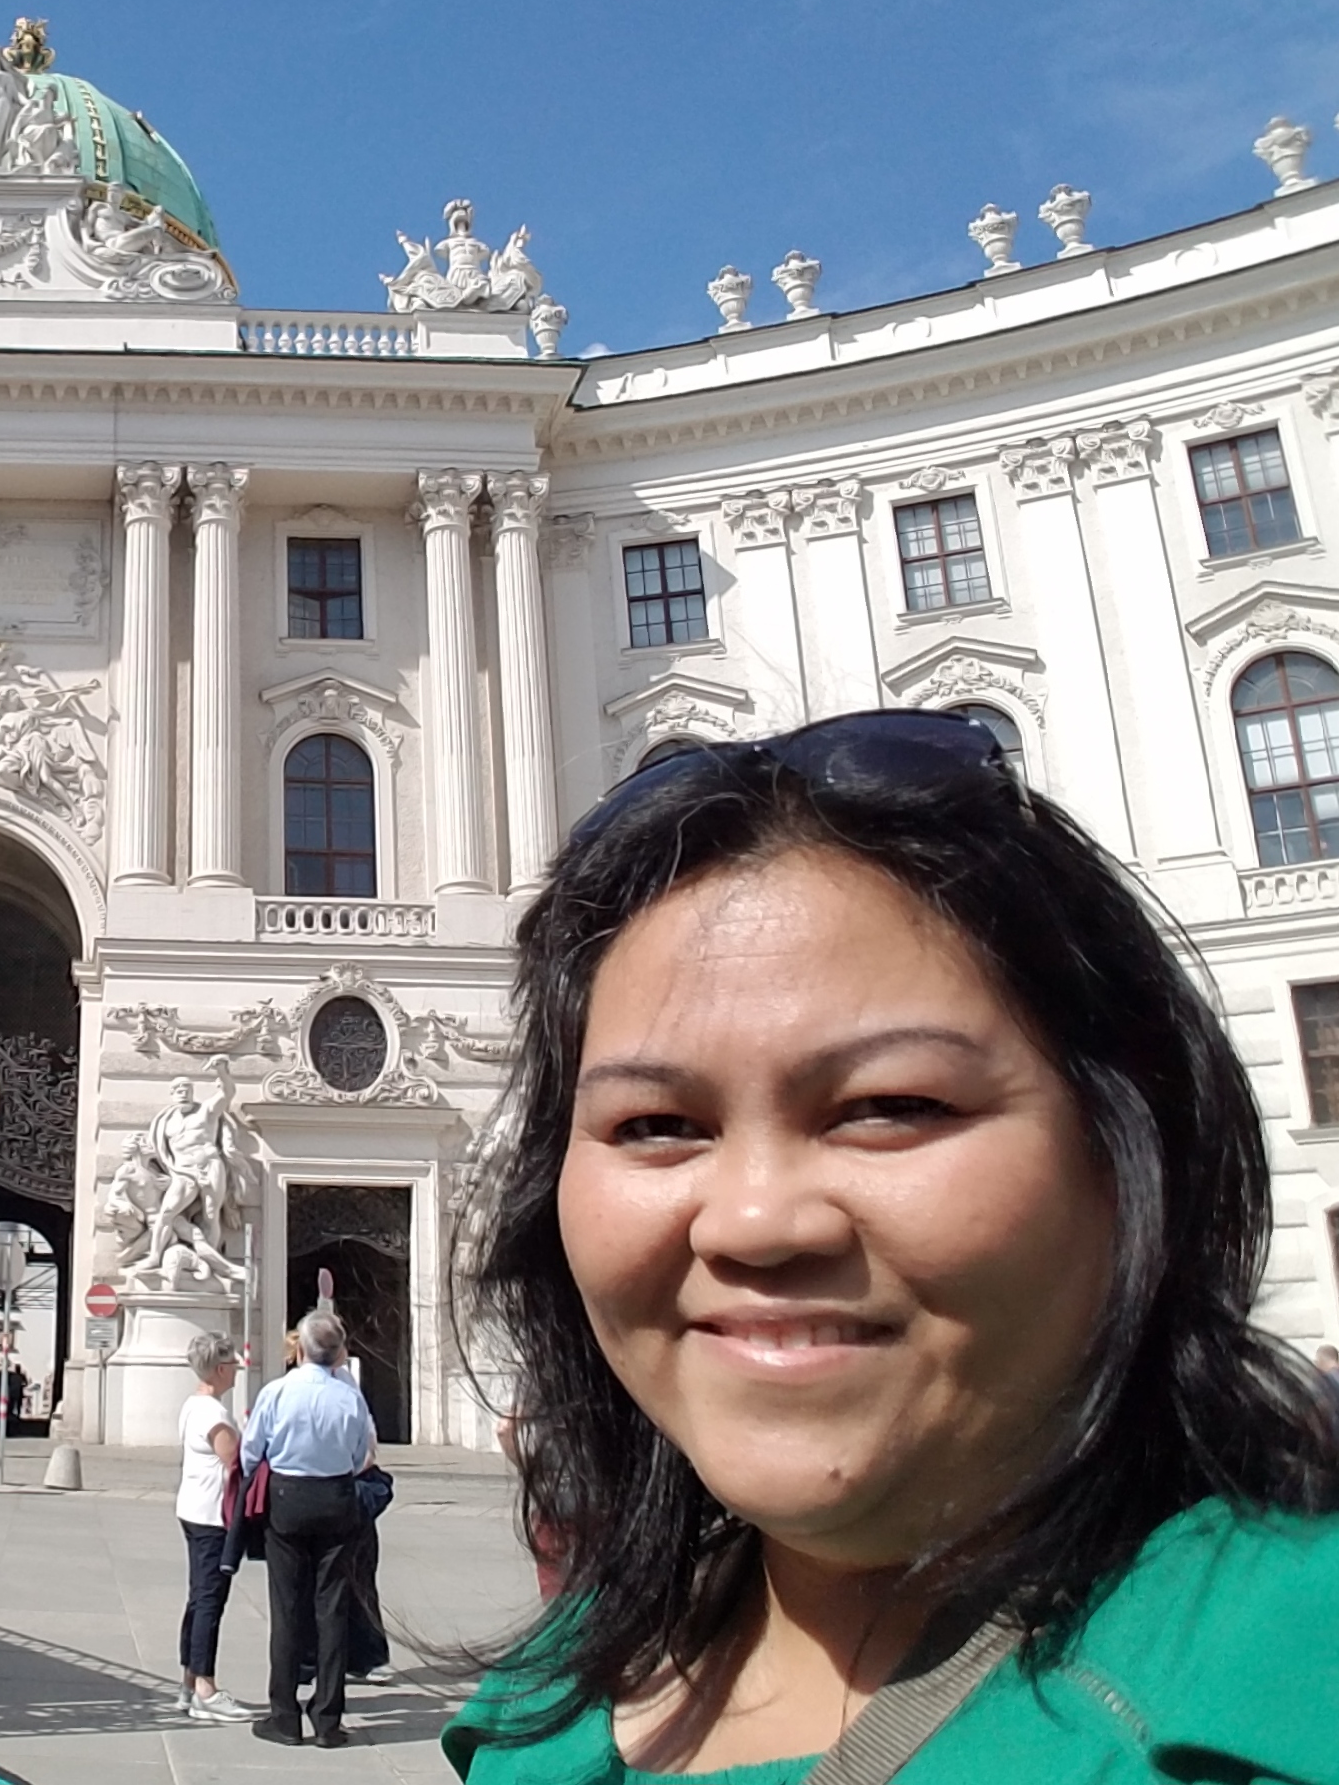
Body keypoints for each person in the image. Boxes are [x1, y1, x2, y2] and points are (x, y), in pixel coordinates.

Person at [444, 711, 1339, 1783]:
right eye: (657, 1124)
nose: (754, 1222)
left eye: (890, 1106)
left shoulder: (1272, 1697)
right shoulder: (546, 1703)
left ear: (1130, 1146)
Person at [241, 1309, 377, 1748]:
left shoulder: (278, 1391)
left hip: (287, 1499)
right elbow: (360, 1455)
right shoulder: (350, 1398)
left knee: (286, 1608)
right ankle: (328, 1719)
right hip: (336, 1498)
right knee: (332, 1609)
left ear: (299, 1348)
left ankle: (284, 1715)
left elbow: (251, 1450)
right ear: (338, 1354)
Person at [176, 1331, 260, 1722]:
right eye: (234, 1365)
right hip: (212, 1515)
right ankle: (206, 1689)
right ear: (221, 1369)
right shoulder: (214, 1414)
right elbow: (236, 1463)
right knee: (210, 1599)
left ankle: (189, 1682)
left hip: (192, 1508)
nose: (238, 1371)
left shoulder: (193, 1405)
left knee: (198, 1597)